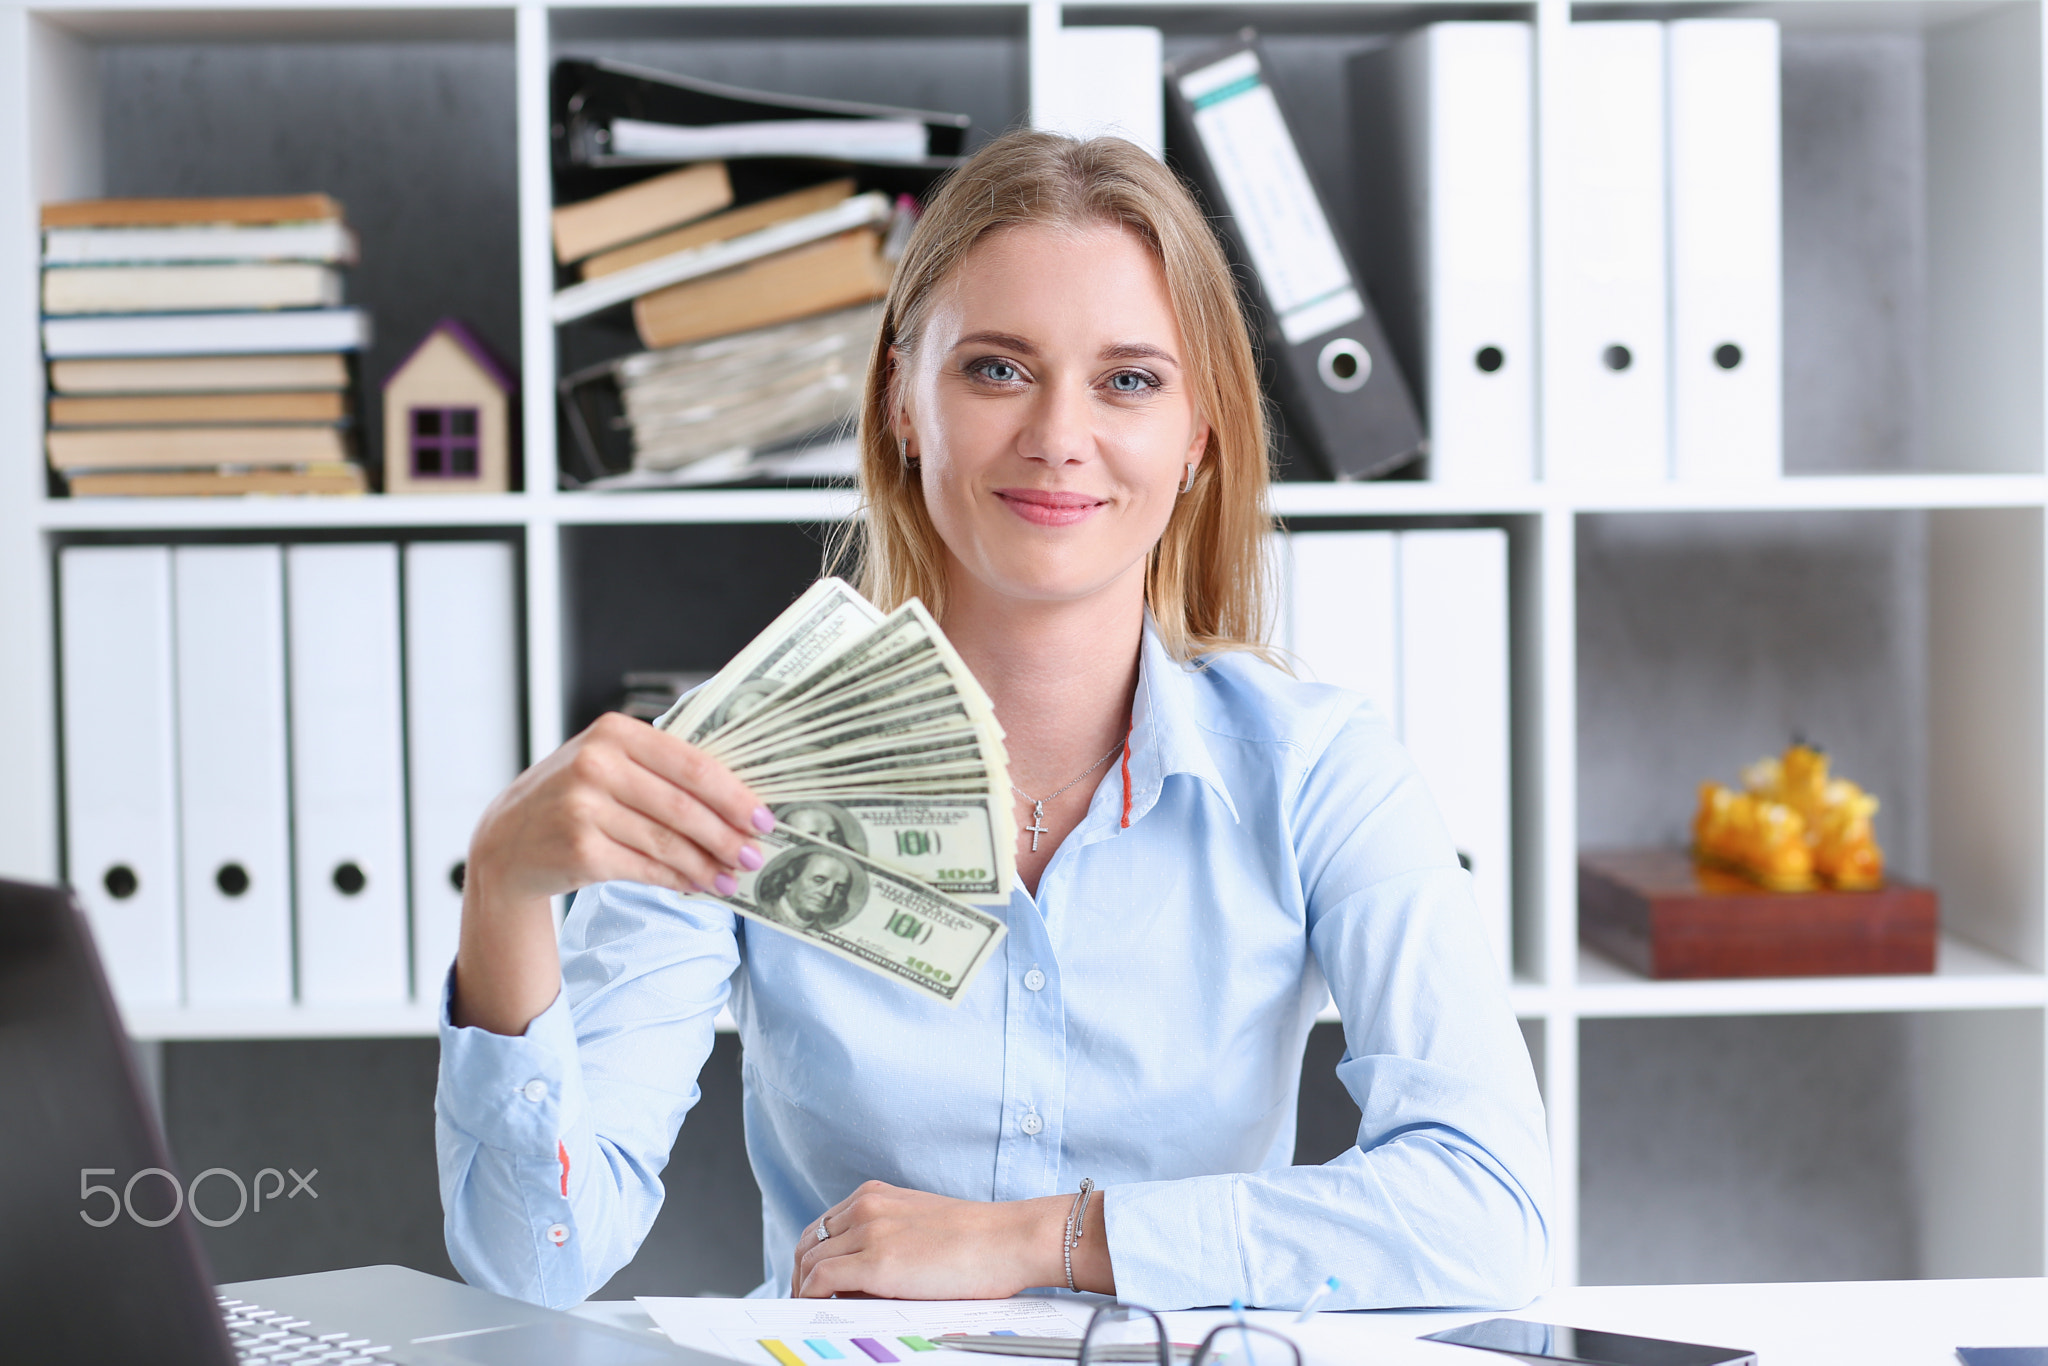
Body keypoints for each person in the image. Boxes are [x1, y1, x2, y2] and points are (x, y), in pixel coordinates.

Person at [436, 130, 1551, 1313]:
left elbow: (1484, 1213)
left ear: (1196, 443)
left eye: (1128, 380)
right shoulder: (734, 763)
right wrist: (503, 890)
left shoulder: (1319, 772)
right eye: (996, 369)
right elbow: (535, 1255)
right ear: (902, 407)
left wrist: (1045, 1240)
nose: (1057, 436)